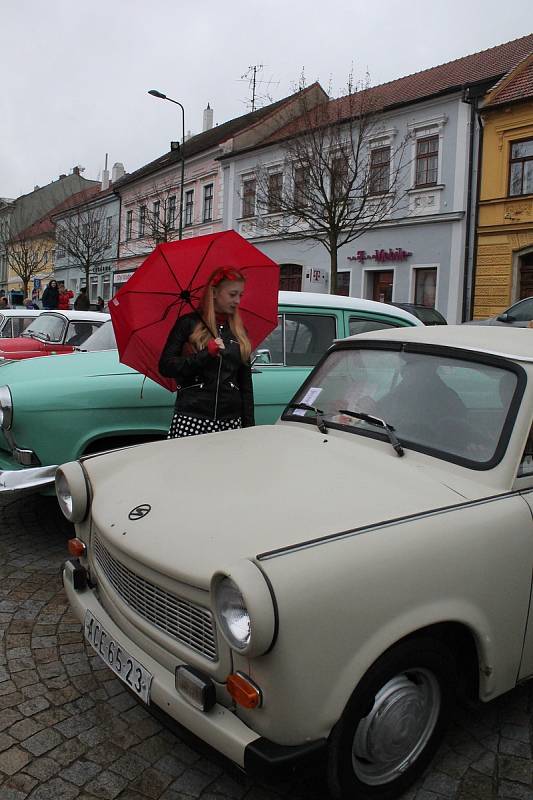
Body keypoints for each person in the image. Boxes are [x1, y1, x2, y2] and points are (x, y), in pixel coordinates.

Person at [159, 267, 255, 438]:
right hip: (192, 417)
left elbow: (245, 386)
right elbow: (166, 366)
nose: (238, 301)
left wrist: (249, 429)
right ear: (215, 293)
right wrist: (205, 355)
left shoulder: (240, 332)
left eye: (241, 295)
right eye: (232, 294)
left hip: (230, 421)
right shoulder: (188, 324)